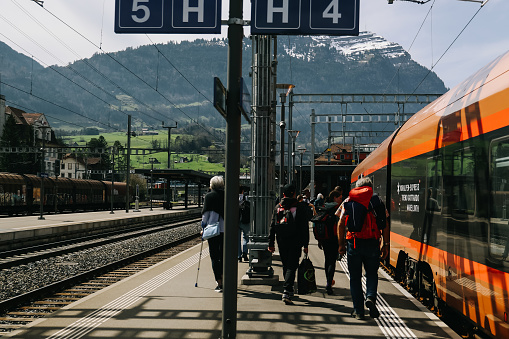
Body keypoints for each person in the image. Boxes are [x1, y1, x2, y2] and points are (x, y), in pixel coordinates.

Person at [336, 177, 390, 320]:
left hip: (354, 244)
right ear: (370, 187)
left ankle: (358, 311)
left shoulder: (348, 200)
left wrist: (341, 244)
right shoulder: (377, 202)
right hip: (372, 243)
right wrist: (386, 245)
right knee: (372, 274)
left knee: (355, 278)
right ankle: (371, 297)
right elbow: (384, 224)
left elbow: (340, 224)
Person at [268, 184, 310, 305]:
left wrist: (271, 243)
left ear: (283, 194)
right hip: (295, 240)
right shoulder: (299, 207)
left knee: (286, 264)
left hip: (281, 240)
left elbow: (272, 226)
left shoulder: (278, 207)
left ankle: (289, 288)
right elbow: (304, 227)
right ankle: (287, 290)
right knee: (292, 265)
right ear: (293, 194)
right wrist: (306, 244)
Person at [316, 190, 342, 295]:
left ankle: (328, 281)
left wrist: (319, 239)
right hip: (334, 238)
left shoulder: (324, 207)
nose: (341, 200)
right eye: (339, 198)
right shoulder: (337, 209)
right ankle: (329, 283)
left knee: (327, 260)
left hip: (324, 238)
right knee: (332, 261)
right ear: (335, 198)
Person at [201, 175, 225, 292]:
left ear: (212, 185)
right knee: (224, 256)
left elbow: (205, 215)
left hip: (213, 231)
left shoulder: (209, 196)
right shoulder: (227, 195)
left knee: (215, 256)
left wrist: (203, 227)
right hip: (226, 231)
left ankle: (219, 283)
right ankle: (225, 278)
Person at [238, 186, 250, 262]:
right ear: (242, 191)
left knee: (237, 239)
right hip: (245, 220)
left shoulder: (232, 197)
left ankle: (239, 256)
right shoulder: (246, 198)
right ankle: (245, 253)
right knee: (246, 237)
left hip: (236, 221)